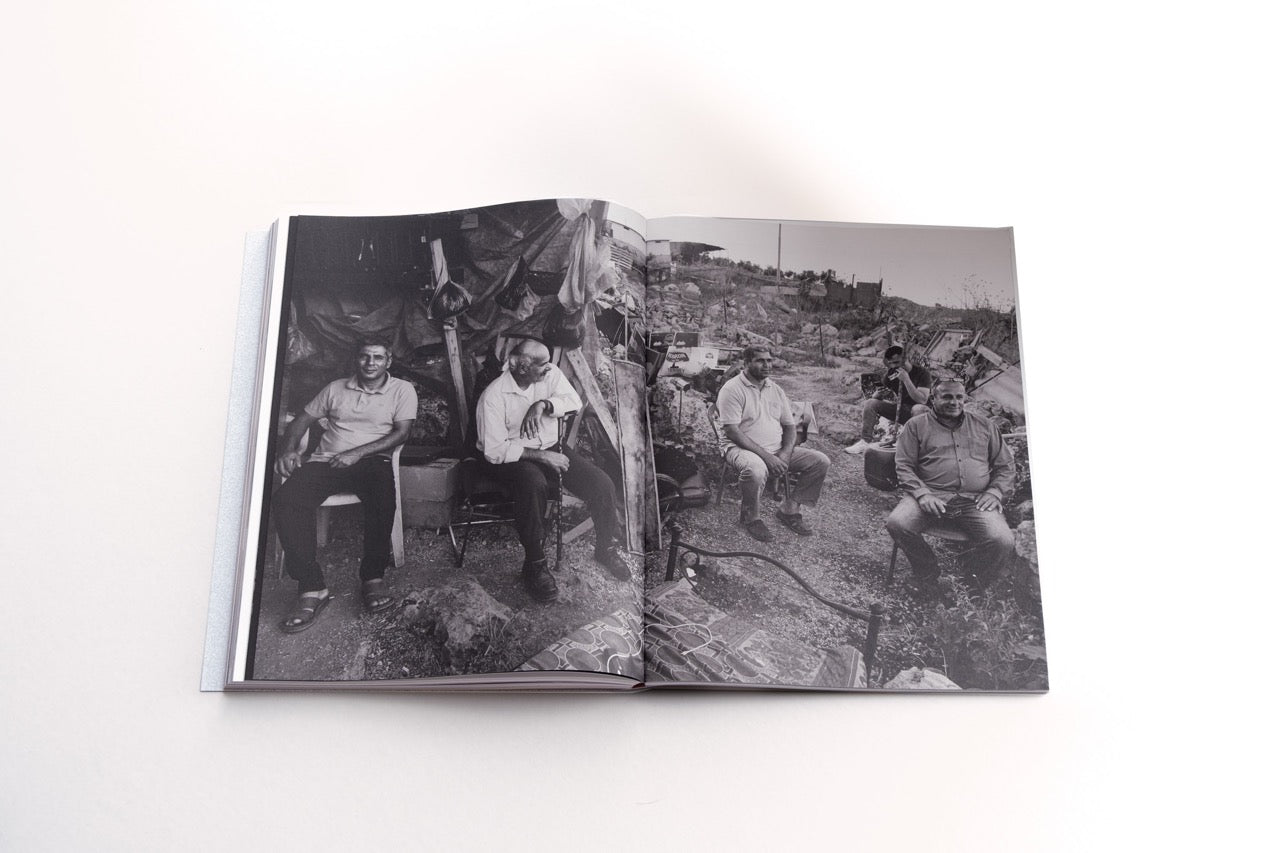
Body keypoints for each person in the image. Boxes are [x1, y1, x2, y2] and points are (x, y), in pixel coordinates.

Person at [272, 338, 418, 633]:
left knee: (382, 497)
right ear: (357, 359)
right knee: (287, 499)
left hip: (371, 460)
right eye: (365, 357)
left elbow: (402, 433)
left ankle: (373, 578)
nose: (370, 363)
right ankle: (312, 587)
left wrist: (357, 453)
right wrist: (289, 449)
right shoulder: (335, 388)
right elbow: (301, 421)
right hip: (326, 461)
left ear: (388, 361)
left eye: (377, 357)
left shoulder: (402, 390)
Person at [474, 338, 628, 602]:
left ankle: (606, 548)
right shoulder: (493, 396)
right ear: (521, 367)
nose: (550, 368)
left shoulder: (549, 375)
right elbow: (495, 450)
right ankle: (535, 565)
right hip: (510, 458)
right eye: (542, 364)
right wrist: (543, 457)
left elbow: (573, 402)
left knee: (602, 484)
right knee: (534, 484)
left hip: (550, 448)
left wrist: (543, 405)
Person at [887, 378, 1016, 596]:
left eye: (959, 396)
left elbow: (1006, 466)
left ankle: (969, 589)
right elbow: (904, 466)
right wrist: (922, 494)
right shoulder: (916, 426)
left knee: (1002, 540)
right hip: (930, 494)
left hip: (975, 500)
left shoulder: (985, 426)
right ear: (933, 398)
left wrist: (995, 491)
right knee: (898, 523)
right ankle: (927, 574)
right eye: (947, 396)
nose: (954, 402)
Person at [715, 345, 831, 542]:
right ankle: (751, 516)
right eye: (760, 361)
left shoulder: (775, 389)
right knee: (756, 469)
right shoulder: (732, 389)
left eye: (769, 360)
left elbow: (790, 426)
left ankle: (789, 508)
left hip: (776, 450)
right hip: (739, 448)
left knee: (820, 461)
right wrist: (768, 457)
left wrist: (785, 455)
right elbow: (732, 431)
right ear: (746, 363)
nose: (767, 365)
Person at [844, 344, 931, 454]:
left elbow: (922, 399)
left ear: (906, 359)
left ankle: (915, 447)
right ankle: (865, 442)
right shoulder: (891, 373)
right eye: (891, 363)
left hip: (922, 416)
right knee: (871, 403)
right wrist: (879, 394)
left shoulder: (922, 373)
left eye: (897, 362)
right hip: (902, 410)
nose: (894, 366)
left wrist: (906, 380)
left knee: (918, 408)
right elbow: (877, 397)